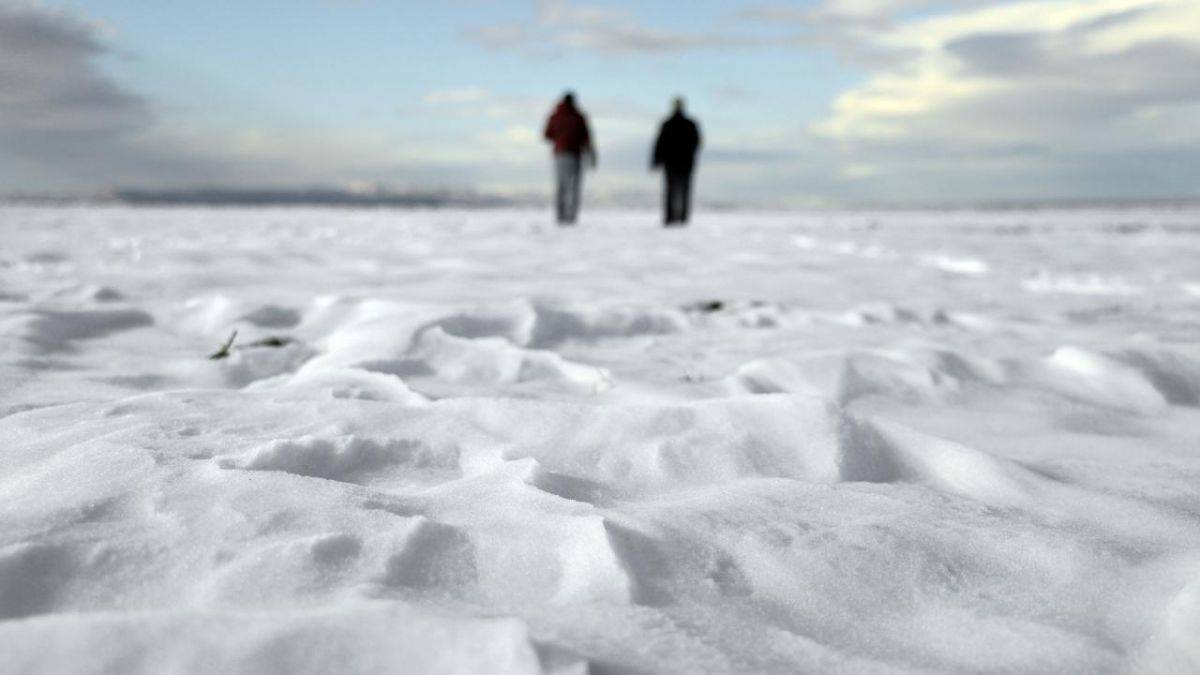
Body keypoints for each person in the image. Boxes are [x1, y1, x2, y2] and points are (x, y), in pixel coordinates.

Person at [543, 92, 596, 225]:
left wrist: (559, 139)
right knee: (574, 187)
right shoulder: (578, 117)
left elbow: (546, 135)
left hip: (560, 155)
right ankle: (571, 217)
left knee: (561, 186)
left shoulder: (555, 116)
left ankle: (561, 216)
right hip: (575, 155)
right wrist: (591, 155)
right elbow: (587, 138)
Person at [651, 97, 702, 226]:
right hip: (684, 163)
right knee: (683, 191)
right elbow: (696, 143)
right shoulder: (688, 124)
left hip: (673, 163)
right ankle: (681, 218)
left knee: (672, 191)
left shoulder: (669, 124)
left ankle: (671, 217)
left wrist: (656, 160)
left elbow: (660, 144)